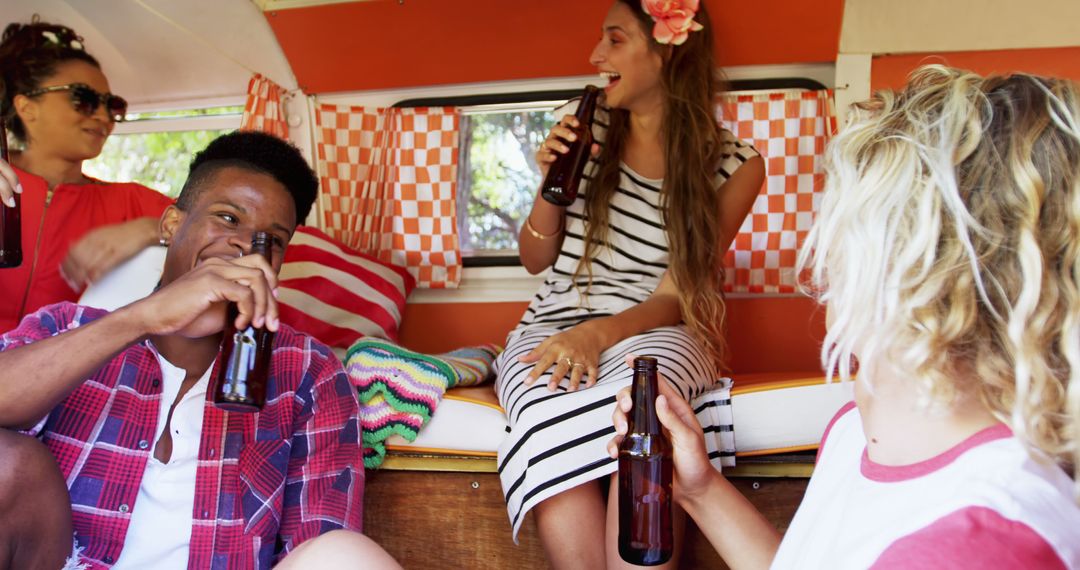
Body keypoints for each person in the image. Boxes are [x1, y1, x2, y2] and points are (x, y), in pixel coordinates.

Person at [610, 65, 1080, 568]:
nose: (820, 260)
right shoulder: (857, 428)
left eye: (842, 222)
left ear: (916, 267)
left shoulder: (975, 549)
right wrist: (700, 488)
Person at [0, 131, 400, 569]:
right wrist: (144, 317)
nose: (246, 246)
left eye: (272, 240)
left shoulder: (309, 371)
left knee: (344, 554)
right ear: (172, 225)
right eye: (228, 218)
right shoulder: (68, 327)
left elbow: (319, 533)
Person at [494, 0, 765, 566]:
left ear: (667, 52)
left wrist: (598, 335)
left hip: (653, 327)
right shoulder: (582, 124)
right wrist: (549, 185)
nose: (595, 56)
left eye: (614, 40)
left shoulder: (735, 166)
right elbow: (533, 259)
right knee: (541, 406)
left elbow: (675, 295)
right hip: (553, 321)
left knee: (650, 408)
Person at [0, 19, 174, 333]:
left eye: (113, 105)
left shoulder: (134, 203)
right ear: (27, 107)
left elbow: (233, 237)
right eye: (84, 98)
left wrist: (153, 229)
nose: (104, 117)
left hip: (73, 377)